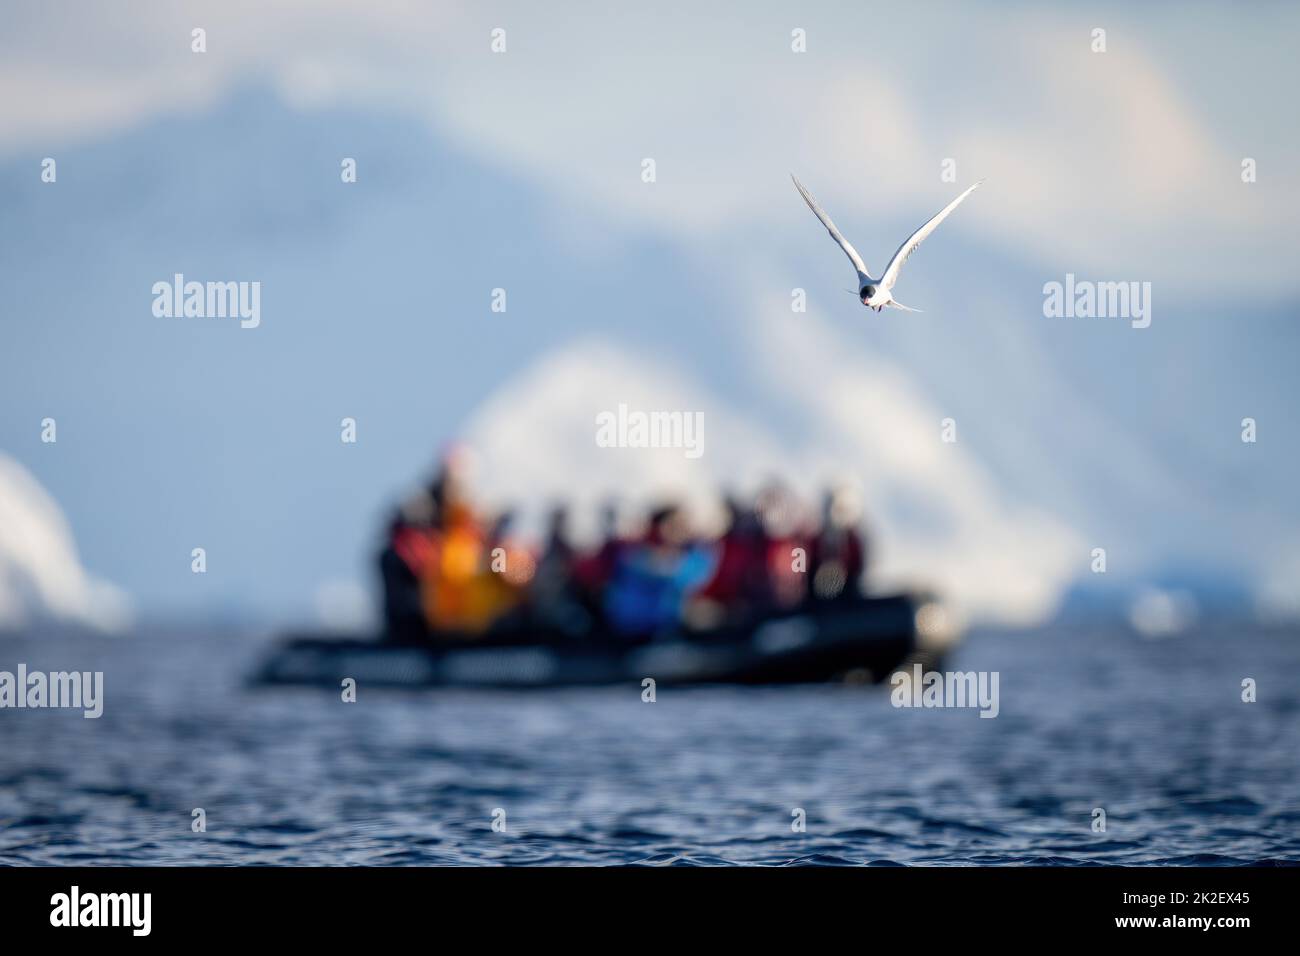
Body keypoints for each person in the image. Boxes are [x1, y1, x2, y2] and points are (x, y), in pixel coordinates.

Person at [603, 504, 716, 640]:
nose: (679, 529)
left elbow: (689, 579)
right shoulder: (635, 554)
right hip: (630, 630)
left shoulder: (695, 554)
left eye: (682, 524)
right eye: (673, 524)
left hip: (668, 629)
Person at [808, 485, 867, 603]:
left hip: (849, 597)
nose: (834, 514)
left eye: (840, 509)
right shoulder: (815, 540)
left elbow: (857, 570)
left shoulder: (852, 540)